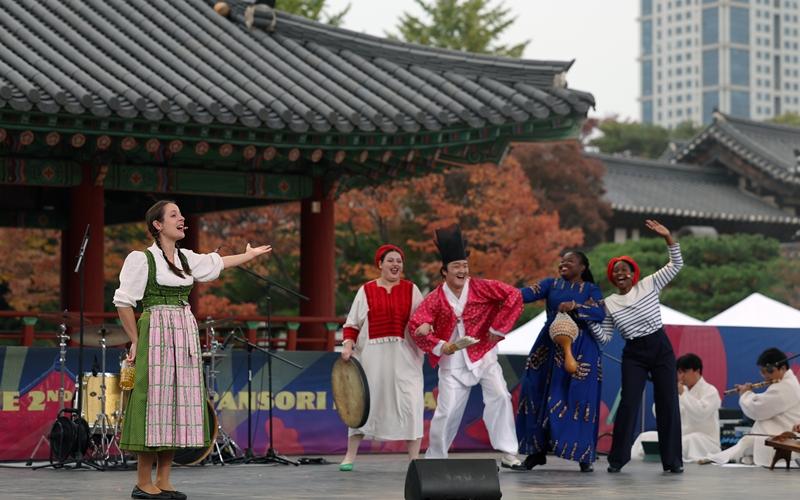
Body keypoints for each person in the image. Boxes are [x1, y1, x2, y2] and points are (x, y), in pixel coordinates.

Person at [114, 200, 271, 500]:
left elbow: (218, 262)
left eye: (181, 214)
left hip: (183, 332)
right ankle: (143, 481)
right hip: (156, 330)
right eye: (174, 215)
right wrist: (135, 339)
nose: (181, 218)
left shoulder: (186, 259)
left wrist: (248, 255)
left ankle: (164, 479)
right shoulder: (141, 259)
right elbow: (123, 302)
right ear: (158, 225)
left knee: (178, 401)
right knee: (153, 402)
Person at [408, 225, 524, 469]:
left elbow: (514, 296)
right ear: (444, 272)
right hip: (453, 361)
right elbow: (416, 324)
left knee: (501, 396)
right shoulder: (435, 299)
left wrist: (497, 329)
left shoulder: (482, 287)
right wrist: (436, 341)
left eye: (464, 266)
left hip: (483, 355)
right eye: (456, 267)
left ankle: (509, 452)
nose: (462, 271)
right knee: (447, 411)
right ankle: (436, 459)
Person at [590, 219, 684, 473]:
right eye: (616, 272)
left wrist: (667, 236)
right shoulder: (608, 303)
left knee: (667, 402)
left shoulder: (649, 284)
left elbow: (677, 264)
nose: (621, 274)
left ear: (633, 274)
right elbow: (604, 337)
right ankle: (617, 460)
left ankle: (673, 461)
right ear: (612, 278)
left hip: (660, 346)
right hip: (634, 353)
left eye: (625, 270)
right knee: (629, 403)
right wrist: (587, 320)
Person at [515, 251, 606, 472]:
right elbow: (523, 294)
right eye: (562, 260)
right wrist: (491, 292)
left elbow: (600, 312)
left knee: (579, 397)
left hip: (582, 348)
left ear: (583, 267)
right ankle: (535, 453)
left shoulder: (590, 289)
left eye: (570, 261)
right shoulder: (550, 284)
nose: (563, 263)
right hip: (548, 344)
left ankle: (584, 455)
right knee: (536, 392)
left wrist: (576, 305)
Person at [338, 244, 425, 471]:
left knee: (411, 402)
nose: (396, 264)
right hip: (371, 359)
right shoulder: (366, 290)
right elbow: (352, 325)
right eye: (390, 260)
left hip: (404, 357)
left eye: (399, 261)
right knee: (363, 404)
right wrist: (347, 345)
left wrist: (427, 328)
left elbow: (422, 321)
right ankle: (349, 456)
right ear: (380, 264)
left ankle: (414, 460)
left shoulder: (411, 289)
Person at [705, 348, 800, 467]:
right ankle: (730, 457)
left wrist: (746, 394)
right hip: (778, 433)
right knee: (747, 442)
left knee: (752, 439)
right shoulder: (786, 383)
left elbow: (759, 409)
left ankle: (734, 457)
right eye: (763, 372)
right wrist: (749, 393)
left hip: (784, 436)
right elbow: (767, 400)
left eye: (769, 371)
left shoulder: (785, 387)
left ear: (783, 368)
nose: (766, 376)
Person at [632, 353, 721, 462]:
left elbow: (700, 414)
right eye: (679, 372)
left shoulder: (710, 391)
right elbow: (660, 415)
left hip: (705, 440)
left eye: (685, 371)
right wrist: (664, 394)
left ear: (697, 371)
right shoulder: (679, 392)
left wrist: (683, 393)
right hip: (681, 437)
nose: (681, 376)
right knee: (645, 437)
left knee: (688, 441)